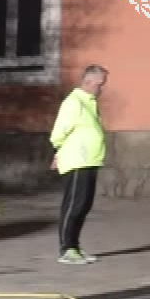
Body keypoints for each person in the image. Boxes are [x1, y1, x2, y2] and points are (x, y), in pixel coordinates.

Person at [51, 65, 109, 265]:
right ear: (89, 82)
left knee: (84, 205)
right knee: (73, 205)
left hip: (90, 161)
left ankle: (74, 246)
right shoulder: (74, 103)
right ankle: (66, 249)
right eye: (100, 84)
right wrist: (57, 151)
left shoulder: (89, 103)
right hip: (77, 160)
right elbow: (59, 131)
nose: (102, 89)